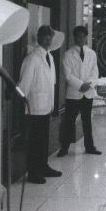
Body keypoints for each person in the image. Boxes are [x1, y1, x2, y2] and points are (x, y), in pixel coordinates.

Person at [19, 25, 62, 184]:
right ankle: (33, 172)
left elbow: (52, 83)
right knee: (34, 142)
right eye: (45, 36)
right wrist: (25, 103)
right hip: (34, 107)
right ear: (39, 38)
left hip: (46, 105)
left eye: (50, 37)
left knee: (43, 140)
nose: (48, 40)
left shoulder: (50, 57)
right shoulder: (32, 58)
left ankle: (43, 166)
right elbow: (24, 85)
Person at [58, 25, 101, 157]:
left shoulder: (91, 53)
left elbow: (95, 72)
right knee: (69, 122)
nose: (81, 38)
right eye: (78, 36)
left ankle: (90, 147)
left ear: (86, 37)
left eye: (83, 36)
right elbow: (67, 75)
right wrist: (80, 84)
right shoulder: (68, 54)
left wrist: (89, 84)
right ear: (74, 37)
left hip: (87, 93)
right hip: (74, 93)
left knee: (87, 121)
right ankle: (64, 148)